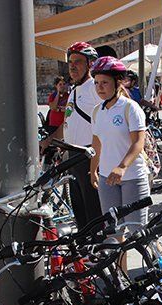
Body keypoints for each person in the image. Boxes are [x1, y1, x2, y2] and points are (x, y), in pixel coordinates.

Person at [88, 57, 150, 271]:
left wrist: (122, 166)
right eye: (96, 82)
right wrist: (93, 170)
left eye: (104, 82)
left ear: (117, 83)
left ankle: (155, 270)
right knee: (114, 234)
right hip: (108, 179)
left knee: (137, 233)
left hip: (132, 177)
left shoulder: (130, 108)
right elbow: (96, 144)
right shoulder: (97, 111)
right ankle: (121, 277)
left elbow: (138, 143)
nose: (99, 87)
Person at [41, 42, 102, 229]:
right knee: (79, 208)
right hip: (73, 157)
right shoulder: (74, 91)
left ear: (90, 64)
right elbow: (68, 122)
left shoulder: (94, 87)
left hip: (89, 155)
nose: (73, 66)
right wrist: (49, 141)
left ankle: (99, 249)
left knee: (93, 210)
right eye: (70, 63)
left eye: (78, 62)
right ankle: (86, 248)